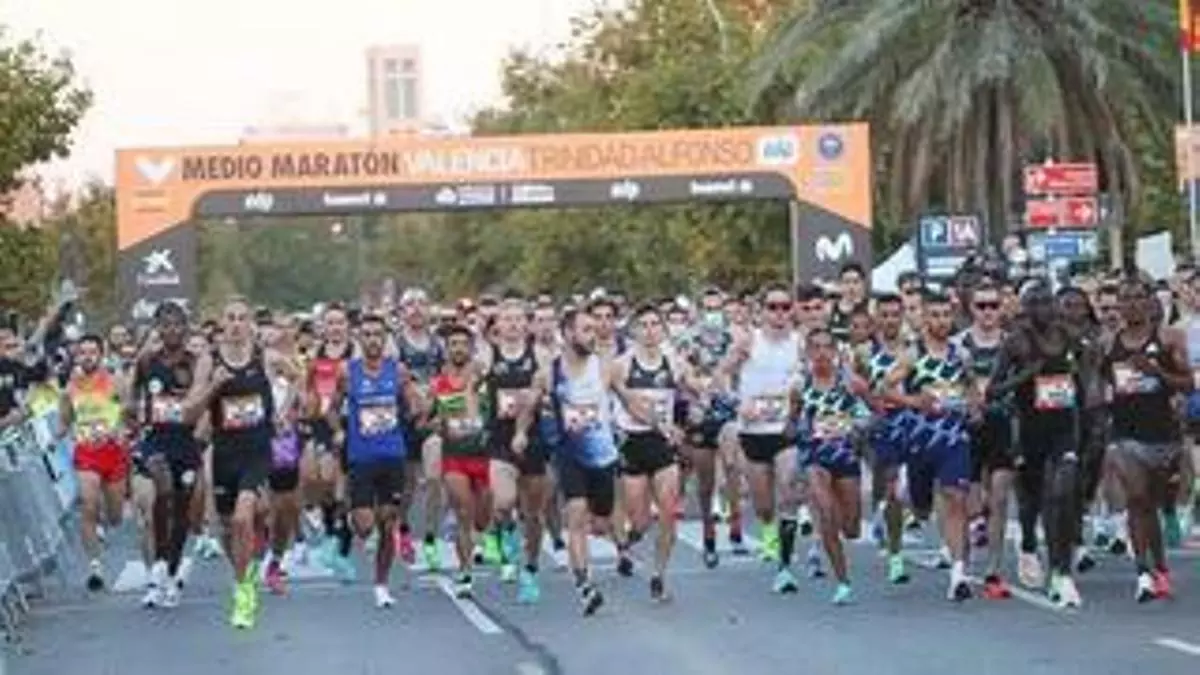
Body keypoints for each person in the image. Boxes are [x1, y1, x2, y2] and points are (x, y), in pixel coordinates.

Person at [184, 296, 295, 629]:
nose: (235, 324)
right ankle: (243, 575)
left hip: (257, 451)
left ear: (250, 324)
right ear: (222, 323)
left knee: (243, 517)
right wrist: (214, 386)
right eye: (230, 318)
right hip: (224, 452)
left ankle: (244, 592)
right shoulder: (209, 361)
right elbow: (189, 412)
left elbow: (298, 377)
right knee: (228, 528)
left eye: (241, 318)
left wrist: (282, 412)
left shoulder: (265, 357)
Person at [519, 308, 620, 616]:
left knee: (600, 522)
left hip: (603, 455)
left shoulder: (606, 367)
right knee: (575, 515)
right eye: (586, 329)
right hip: (569, 453)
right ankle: (584, 585)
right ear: (568, 334)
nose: (594, 334)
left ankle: (606, 544)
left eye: (595, 329)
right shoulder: (548, 373)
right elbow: (529, 406)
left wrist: (655, 421)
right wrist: (520, 432)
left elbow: (628, 397)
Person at [1103, 277, 1190, 602]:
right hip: (1125, 434)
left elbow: (1189, 383)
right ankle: (1142, 573)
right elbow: (1096, 383)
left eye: (1138, 297)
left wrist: (1157, 374)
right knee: (1137, 498)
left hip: (1163, 434)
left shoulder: (1168, 338)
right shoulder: (1108, 344)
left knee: (1152, 503)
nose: (1132, 304)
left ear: (1150, 302)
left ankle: (1160, 567)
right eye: (1125, 299)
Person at [328, 313, 422, 608]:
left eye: (377, 335)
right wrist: (338, 430)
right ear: (359, 339)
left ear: (385, 339)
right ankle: (348, 519)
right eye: (367, 335)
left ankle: (381, 585)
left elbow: (414, 405)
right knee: (365, 526)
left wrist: (416, 405)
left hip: (393, 455)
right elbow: (331, 410)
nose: (372, 340)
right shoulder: (348, 372)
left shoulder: (398, 370)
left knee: (387, 521)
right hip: (361, 457)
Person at [610, 304, 693, 601]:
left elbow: (695, 389)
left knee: (668, 512)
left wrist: (705, 396)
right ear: (634, 331)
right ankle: (627, 541)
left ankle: (659, 574)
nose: (649, 331)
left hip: (662, 443)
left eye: (655, 324)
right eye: (643, 325)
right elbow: (627, 404)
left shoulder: (675, 362)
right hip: (633, 442)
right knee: (641, 520)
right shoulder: (621, 365)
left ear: (663, 330)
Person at [130, 302, 201, 608]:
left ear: (185, 328)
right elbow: (133, 395)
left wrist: (201, 428)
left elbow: (206, 400)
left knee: (183, 510)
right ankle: (159, 564)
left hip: (186, 442)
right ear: (157, 328)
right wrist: (133, 417)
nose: (172, 330)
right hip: (157, 440)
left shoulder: (195, 363)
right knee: (163, 489)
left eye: (177, 324)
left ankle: (172, 572)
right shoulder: (147, 361)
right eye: (166, 325)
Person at [793, 328, 870, 604]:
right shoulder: (800, 386)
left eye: (827, 347)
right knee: (826, 514)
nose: (822, 353)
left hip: (845, 457)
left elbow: (873, 414)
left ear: (835, 352)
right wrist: (800, 431)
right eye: (816, 347)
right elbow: (790, 423)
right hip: (815, 457)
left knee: (851, 528)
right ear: (808, 353)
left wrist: (855, 425)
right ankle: (843, 582)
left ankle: (845, 533)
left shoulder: (850, 384)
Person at [60, 333, 130, 591]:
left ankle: (103, 522)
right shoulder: (71, 387)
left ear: (101, 355)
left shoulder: (115, 381)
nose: (87, 357)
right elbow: (64, 420)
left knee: (115, 517)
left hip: (113, 452)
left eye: (92, 352)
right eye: (82, 353)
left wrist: (121, 428)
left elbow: (129, 410)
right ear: (76, 356)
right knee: (88, 503)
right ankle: (95, 566)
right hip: (86, 452)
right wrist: (56, 437)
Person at [429, 324, 490, 598]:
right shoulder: (438, 383)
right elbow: (427, 419)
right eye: (453, 344)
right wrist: (437, 424)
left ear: (471, 348)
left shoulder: (483, 377)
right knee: (464, 513)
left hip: (484, 455)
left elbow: (499, 408)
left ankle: (482, 535)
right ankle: (465, 573)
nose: (458, 349)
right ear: (446, 349)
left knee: (482, 518)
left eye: (463, 344)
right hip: (454, 456)